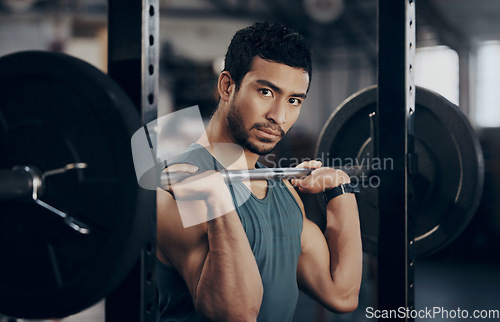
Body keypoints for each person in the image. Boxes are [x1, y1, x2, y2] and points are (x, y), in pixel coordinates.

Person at [156, 22, 362, 321]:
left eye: (293, 100)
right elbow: (238, 313)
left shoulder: (284, 192)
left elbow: (341, 295)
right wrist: (220, 205)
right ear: (228, 86)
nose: (278, 116)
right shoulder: (179, 188)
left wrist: (340, 191)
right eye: (266, 92)